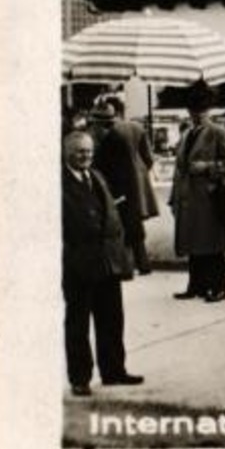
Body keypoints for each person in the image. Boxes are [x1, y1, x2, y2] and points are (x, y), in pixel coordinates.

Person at [62, 131, 143, 396]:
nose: (85, 156)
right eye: (79, 151)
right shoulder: (57, 184)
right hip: (79, 266)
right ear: (66, 153)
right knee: (78, 324)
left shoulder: (96, 176)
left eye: (88, 151)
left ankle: (114, 372)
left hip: (108, 263)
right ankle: (80, 379)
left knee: (111, 319)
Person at [170, 82, 225, 303]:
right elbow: (179, 169)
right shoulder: (186, 134)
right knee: (193, 243)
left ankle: (218, 287)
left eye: (200, 110)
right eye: (193, 111)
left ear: (208, 111)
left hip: (210, 198)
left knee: (213, 244)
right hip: (189, 197)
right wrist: (174, 197)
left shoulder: (218, 132)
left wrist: (208, 167)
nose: (196, 115)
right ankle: (196, 285)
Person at [88, 100, 158, 276]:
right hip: (135, 183)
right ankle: (143, 264)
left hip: (115, 185)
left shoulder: (106, 137)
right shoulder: (135, 128)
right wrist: (140, 173)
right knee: (134, 223)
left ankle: (126, 267)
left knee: (120, 224)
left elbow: (102, 164)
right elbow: (149, 159)